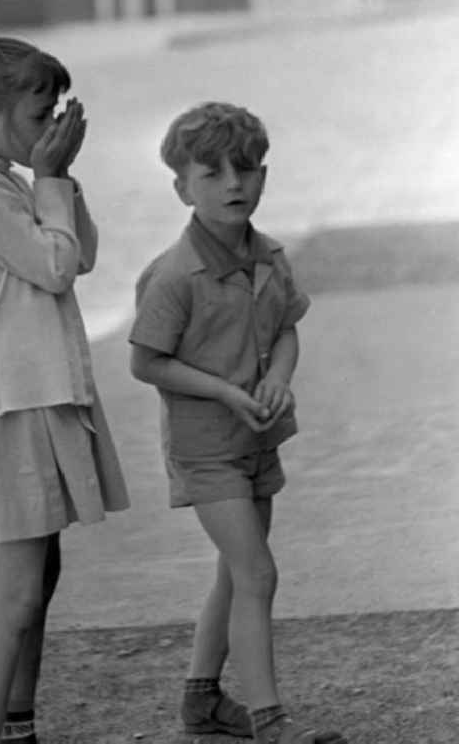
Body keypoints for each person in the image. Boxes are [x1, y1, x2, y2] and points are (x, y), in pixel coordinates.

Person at [0, 30, 129, 744]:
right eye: (39, 119)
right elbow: (56, 267)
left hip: (31, 402)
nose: (50, 131)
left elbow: (84, 252)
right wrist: (47, 180)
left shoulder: (5, 183)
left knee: (38, 583)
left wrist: (57, 175)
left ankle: (17, 724)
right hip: (5, 410)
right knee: (13, 595)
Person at [128, 102, 346, 744]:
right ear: (181, 188)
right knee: (258, 572)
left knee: (235, 569)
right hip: (206, 450)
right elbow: (146, 362)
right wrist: (225, 392)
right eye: (213, 173)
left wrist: (278, 379)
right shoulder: (171, 276)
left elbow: (286, 331)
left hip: (257, 440)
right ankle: (271, 722)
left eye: (246, 169)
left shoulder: (272, 257)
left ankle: (201, 699)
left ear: (263, 175)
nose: (233, 184)